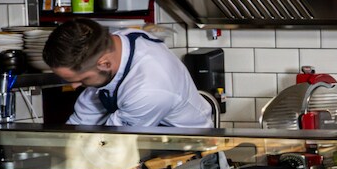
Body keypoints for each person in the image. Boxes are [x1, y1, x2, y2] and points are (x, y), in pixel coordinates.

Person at [45, 18, 214, 130]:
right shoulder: (115, 44)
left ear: (104, 64)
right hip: (142, 146)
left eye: (82, 79)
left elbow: (113, 143)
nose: (74, 86)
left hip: (185, 156)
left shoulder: (150, 88)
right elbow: (84, 119)